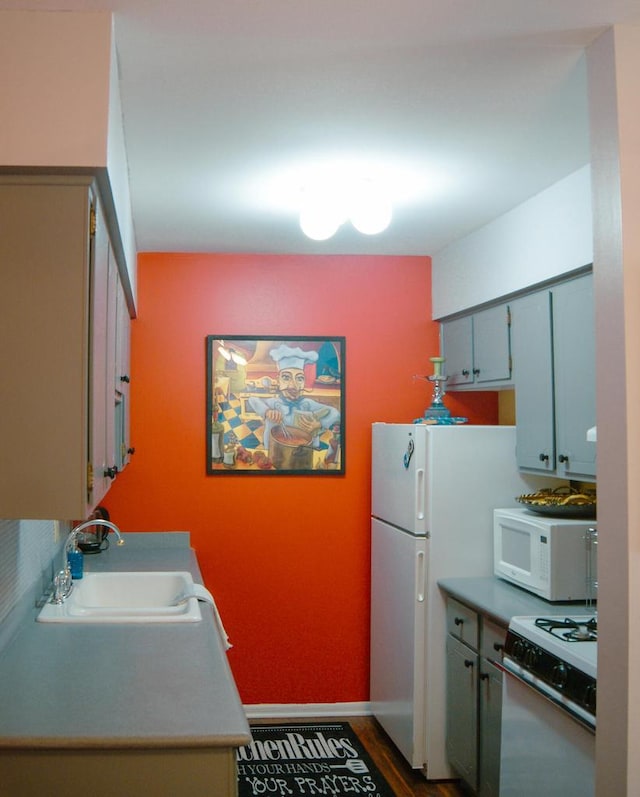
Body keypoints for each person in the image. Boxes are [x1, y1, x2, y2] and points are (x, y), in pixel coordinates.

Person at [248, 344, 341, 455]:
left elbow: (336, 414)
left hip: (305, 454)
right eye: (286, 377)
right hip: (276, 452)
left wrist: (319, 424)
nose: (293, 385)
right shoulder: (273, 403)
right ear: (278, 380)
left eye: (299, 378)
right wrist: (267, 411)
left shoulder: (308, 404)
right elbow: (252, 399)